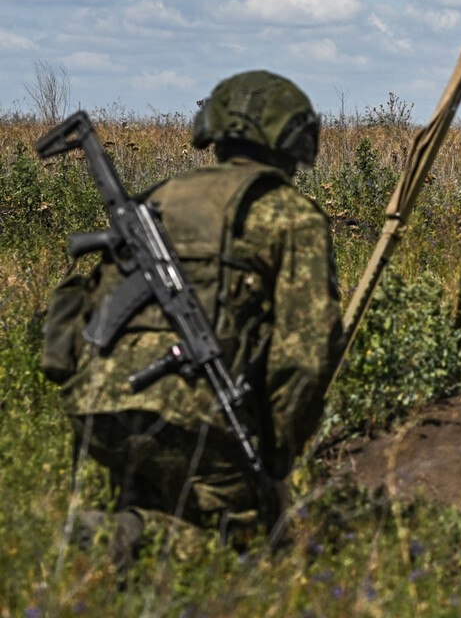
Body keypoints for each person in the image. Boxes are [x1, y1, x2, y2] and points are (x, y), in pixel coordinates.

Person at [42, 71, 342, 572]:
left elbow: (83, 310)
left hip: (99, 405)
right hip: (197, 416)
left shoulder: (160, 197)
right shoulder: (289, 214)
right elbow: (306, 353)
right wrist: (275, 457)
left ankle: (120, 538)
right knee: (244, 554)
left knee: (152, 529)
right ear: (292, 138)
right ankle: (117, 537)